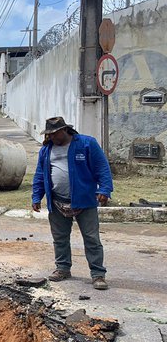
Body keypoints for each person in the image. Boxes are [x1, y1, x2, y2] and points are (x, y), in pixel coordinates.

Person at [32, 116, 113, 290]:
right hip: (57, 201)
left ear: (64, 130)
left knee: (92, 239)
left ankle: (98, 274)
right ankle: (62, 269)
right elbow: (40, 175)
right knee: (59, 238)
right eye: (49, 134)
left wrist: (105, 190)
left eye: (54, 134)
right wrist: (36, 196)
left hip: (84, 201)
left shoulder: (86, 144)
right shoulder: (46, 150)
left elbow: (102, 167)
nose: (51, 137)